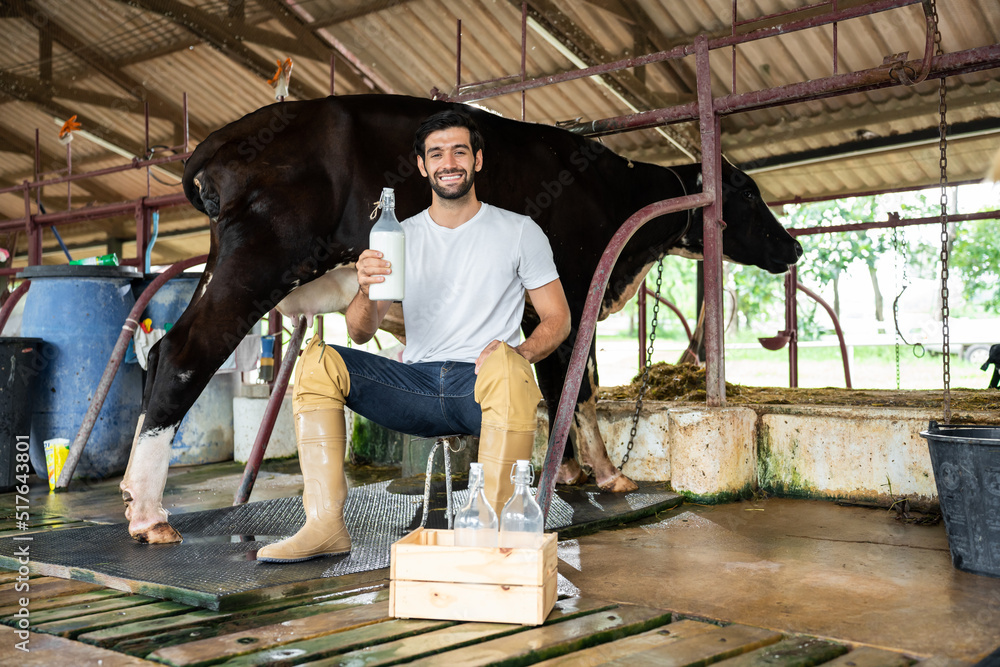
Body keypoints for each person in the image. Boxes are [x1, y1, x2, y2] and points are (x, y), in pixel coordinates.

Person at [258, 109, 571, 563]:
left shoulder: (519, 231)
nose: (449, 162)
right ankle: (324, 525)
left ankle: (497, 532)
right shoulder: (398, 237)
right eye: (436, 154)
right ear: (423, 166)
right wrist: (365, 289)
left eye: (459, 151)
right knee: (317, 362)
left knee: (508, 368)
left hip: (482, 386)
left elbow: (557, 319)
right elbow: (361, 332)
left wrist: (516, 354)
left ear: (477, 160)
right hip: (416, 385)